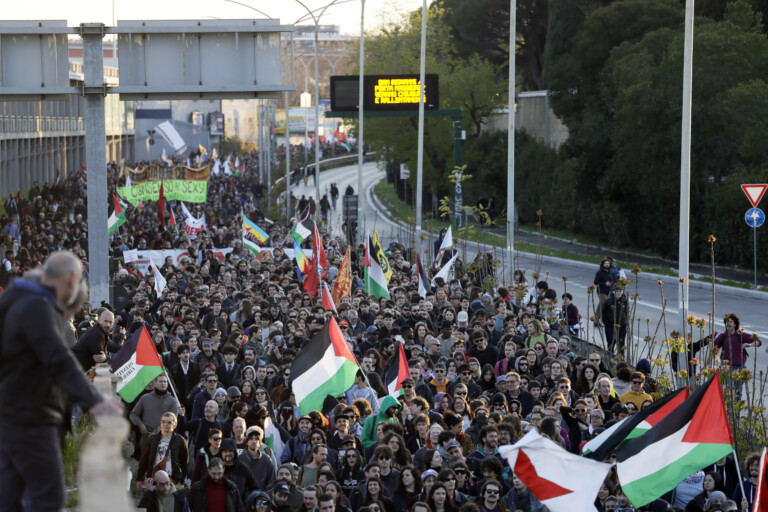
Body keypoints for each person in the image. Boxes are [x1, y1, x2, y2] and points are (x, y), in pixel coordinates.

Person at [0, 252, 123, 511]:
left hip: (13, 413)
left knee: (10, 496)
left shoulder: (20, 298)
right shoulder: (37, 307)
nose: (70, 312)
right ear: (71, 281)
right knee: (50, 496)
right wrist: (94, 400)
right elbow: (58, 358)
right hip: (32, 416)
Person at [136, 412, 189, 490]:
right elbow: (144, 460)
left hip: (172, 481)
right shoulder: (152, 438)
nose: (165, 424)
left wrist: (181, 481)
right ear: (160, 423)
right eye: (163, 421)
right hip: (153, 480)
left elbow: (185, 463)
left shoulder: (180, 440)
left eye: (169, 422)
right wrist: (139, 479)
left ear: (175, 425)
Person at [130, 375, 180, 449]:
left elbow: (172, 420)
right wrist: (141, 425)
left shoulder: (173, 401)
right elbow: (133, 414)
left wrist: (157, 432)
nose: (163, 383)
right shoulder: (145, 398)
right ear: (155, 383)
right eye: (160, 381)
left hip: (164, 440)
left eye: (165, 382)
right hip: (147, 439)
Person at [238, 426, 276, 491]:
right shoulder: (240, 460)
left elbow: (271, 483)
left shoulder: (266, 460)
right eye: (251, 439)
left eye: (256, 439)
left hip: (262, 495)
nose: (254, 441)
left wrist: (264, 495)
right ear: (247, 442)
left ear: (260, 443)